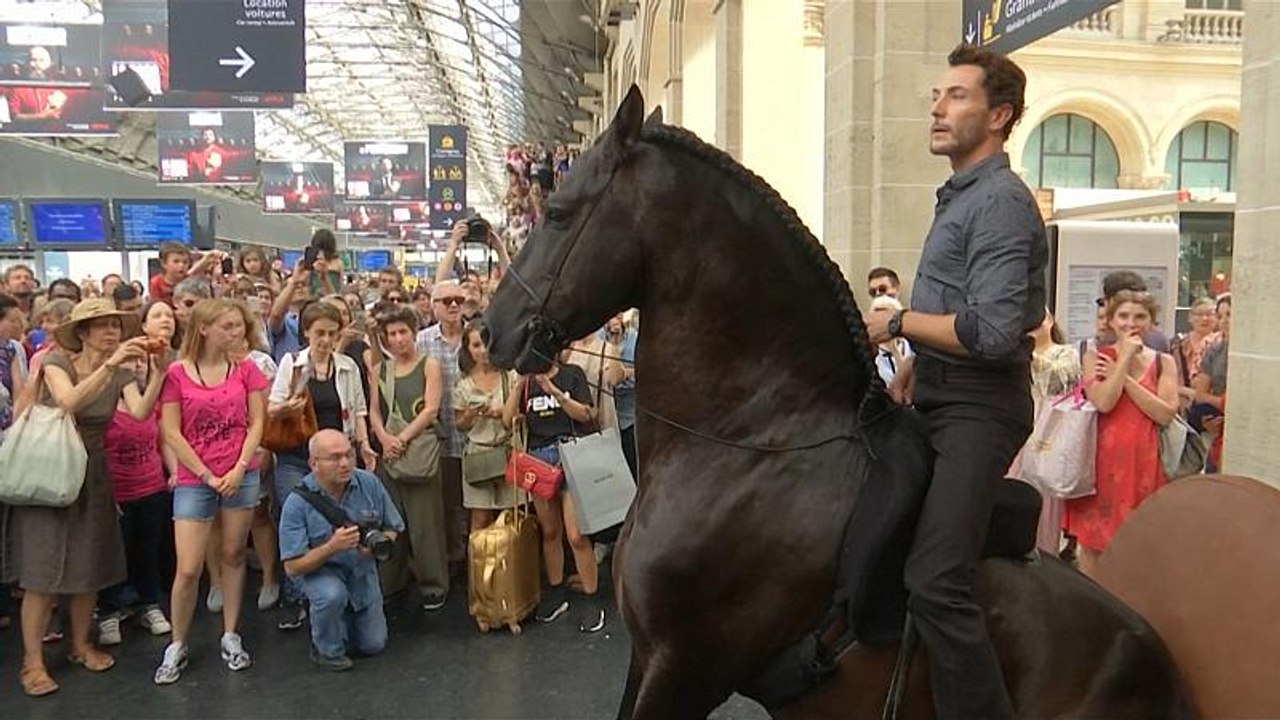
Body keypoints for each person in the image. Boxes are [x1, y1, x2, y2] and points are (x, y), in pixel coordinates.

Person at [864, 44, 1046, 720]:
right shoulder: (963, 196)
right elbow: (962, 308)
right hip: (942, 392)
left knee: (936, 582)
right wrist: (918, 358)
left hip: (979, 409)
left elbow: (993, 332)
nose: (937, 107)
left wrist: (898, 323)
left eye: (957, 96)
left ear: (999, 116)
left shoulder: (999, 202)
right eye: (936, 96)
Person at [4, 299, 162, 697]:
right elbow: (68, 402)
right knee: (42, 572)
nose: (112, 332)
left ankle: (80, 644)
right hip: (51, 466)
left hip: (92, 470)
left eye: (116, 325)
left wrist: (158, 372)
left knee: (88, 565)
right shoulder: (57, 361)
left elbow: (140, 411)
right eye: (102, 325)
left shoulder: (120, 372)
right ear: (83, 332)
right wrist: (111, 366)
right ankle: (32, 661)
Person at [155, 298, 268, 685]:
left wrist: (239, 467)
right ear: (203, 329)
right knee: (188, 568)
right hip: (195, 477)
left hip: (240, 472)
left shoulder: (247, 369)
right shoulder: (177, 373)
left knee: (233, 554)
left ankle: (230, 633)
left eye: (238, 326)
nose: (236, 333)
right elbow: (171, 431)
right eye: (227, 326)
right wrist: (205, 474)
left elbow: (257, 423)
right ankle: (177, 642)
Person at [268, 301, 376, 629]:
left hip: (336, 458)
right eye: (320, 333)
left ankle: (337, 589)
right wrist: (288, 407)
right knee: (294, 521)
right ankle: (294, 594)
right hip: (297, 457)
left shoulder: (346, 367)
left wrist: (364, 445)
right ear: (306, 333)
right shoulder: (292, 364)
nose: (326, 340)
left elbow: (357, 410)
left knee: (336, 522)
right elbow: (272, 408)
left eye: (332, 334)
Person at [1065, 291, 1178, 577]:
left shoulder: (1164, 362)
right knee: (1094, 546)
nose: (1131, 323)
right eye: (1123, 316)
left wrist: (1125, 377)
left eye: (1140, 316)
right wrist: (1124, 357)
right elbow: (1103, 401)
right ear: (1112, 321)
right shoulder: (1094, 357)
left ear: (1151, 321)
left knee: (1142, 543)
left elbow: (1165, 412)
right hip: (1102, 463)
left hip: (1146, 462)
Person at [278, 430, 403, 671]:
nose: (345, 463)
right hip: (321, 573)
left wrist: (378, 545)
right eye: (334, 458)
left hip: (360, 570)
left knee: (373, 645)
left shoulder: (368, 483)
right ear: (314, 464)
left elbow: (393, 527)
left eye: (349, 455)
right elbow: (292, 567)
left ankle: (338, 622)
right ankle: (326, 650)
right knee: (331, 595)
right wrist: (331, 547)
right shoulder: (297, 503)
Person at [502, 353, 603, 633]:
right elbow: (507, 420)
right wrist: (518, 387)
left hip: (570, 453)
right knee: (550, 531)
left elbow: (587, 414)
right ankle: (557, 593)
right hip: (539, 459)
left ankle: (592, 601)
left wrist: (556, 393)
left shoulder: (572, 374)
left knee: (576, 534)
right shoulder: (525, 382)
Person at [370, 305, 447, 609]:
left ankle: (433, 585)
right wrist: (384, 439)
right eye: (392, 334)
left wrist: (401, 438)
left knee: (426, 523)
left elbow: (430, 409)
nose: (398, 339)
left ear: (414, 333)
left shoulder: (430, 365)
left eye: (403, 332)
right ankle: (391, 581)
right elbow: (374, 411)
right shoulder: (380, 370)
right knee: (391, 520)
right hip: (389, 454)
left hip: (419, 451)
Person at [454, 320, 521, 531]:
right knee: (480, 519)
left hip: (508, 449)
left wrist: (502, 412)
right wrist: (470, 415)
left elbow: (521, 413)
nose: (483, 350)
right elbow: (459, 424)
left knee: (511, 518)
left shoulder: (510, 375)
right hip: (478, 454)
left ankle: (513, 555)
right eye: (476, 345)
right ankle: (478, 554)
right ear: (467, 349)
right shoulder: (462, 383)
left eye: (486, 343)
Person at [1192, 294, 1231, 472]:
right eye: (1220, 316)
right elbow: (1200, 394)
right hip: (1217, 423)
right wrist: (1222, 404)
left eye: (1229, 314)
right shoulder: (1214, 349)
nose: (1224, 321)